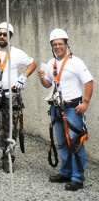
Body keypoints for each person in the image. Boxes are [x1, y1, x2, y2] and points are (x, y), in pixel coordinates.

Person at [0, 22, 36, 174]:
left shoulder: (17, 53)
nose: (2, 37)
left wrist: (23, 77)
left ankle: (8, 158)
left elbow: (33, 63)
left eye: (5, 34)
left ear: (10, 36)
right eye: (0, 34)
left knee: (10, 128)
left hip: (11, 96)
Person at [38, 28, 93, 192]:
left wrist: (85, 103)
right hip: (56, 107)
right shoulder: (51, 63)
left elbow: (89, 82)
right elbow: (48, 84)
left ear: (66, 44)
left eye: (60, 43)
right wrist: (42, 77)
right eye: (54, 44)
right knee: (62, 143)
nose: (57, 47)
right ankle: (66, 172)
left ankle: (77, 178)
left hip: (72, 108)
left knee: (75, 143)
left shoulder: (76, 62)